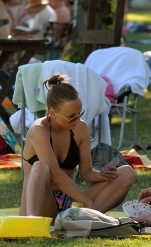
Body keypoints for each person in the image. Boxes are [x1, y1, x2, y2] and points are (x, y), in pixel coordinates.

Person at [20, 74, 136, 217]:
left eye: (79, 114)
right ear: (53, 113)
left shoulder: (81, 128)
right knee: (40, 167)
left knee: (126, 173)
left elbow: (86, 173)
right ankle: (31, 222)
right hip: (43, 201)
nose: (77, 120)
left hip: (69, 198)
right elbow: (55, 175)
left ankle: (86, 218)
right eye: (71, 116)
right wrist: (86, 201)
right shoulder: (38, 130)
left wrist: (102, 175)